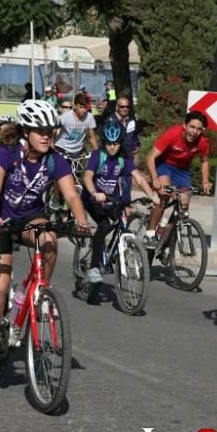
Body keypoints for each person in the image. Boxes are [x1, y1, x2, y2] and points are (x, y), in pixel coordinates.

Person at [0, 99, 91, 385]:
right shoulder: (6, 154)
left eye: (50, 130)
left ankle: (34, 295)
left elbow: (72, 194)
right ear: (26, 131)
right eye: (39, 130)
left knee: (49, 237)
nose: (46, 135)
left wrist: (82, 221)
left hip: (30, 218)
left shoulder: (55, 158)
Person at [81, 121, 158, 301]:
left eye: (115, 143)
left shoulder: (124, 159)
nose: (112, 147)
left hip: (111, 199)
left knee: (122, 221)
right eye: (109, 143)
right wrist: (94, 192)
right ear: (104, 142)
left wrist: (152, 195)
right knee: (104, 224)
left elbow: (139, 178)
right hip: (92, 198)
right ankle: (93, 268)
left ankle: (110, 255)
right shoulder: (97, 156)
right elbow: (87, 176)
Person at [144, 110, 213, 245]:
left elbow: (205, 161)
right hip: (164, 165)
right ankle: (150, 233)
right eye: (192, 127)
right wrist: (155, 178)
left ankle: (165, 239)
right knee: (164, 197)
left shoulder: (203, 142)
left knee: (183, 208)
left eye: (199, 129)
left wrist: (205, 181)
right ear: (184, 125)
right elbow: (150, 156)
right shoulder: (172, 134)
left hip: (182, 170)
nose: (194, 132)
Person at [54, 93, 98, 161]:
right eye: (81, 107)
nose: (84, 110)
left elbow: (91, 136)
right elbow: (53, 130)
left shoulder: (89, 117)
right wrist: (51, 145)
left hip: (78, 151)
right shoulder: (65, 117)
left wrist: (96, 151)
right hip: (62, 148)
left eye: (85, 107)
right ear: (74, 106)